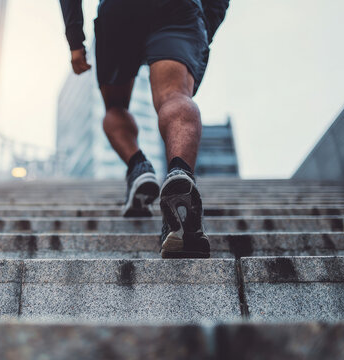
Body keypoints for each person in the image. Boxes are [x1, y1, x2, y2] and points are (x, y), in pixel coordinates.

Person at [59, 0, 229, 258]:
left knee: (115, 107)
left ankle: (138, 166)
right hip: (178, 9)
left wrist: (75, 39)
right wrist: (204, 28)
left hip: (119, 12)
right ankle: (180, 175)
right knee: (174, 95)